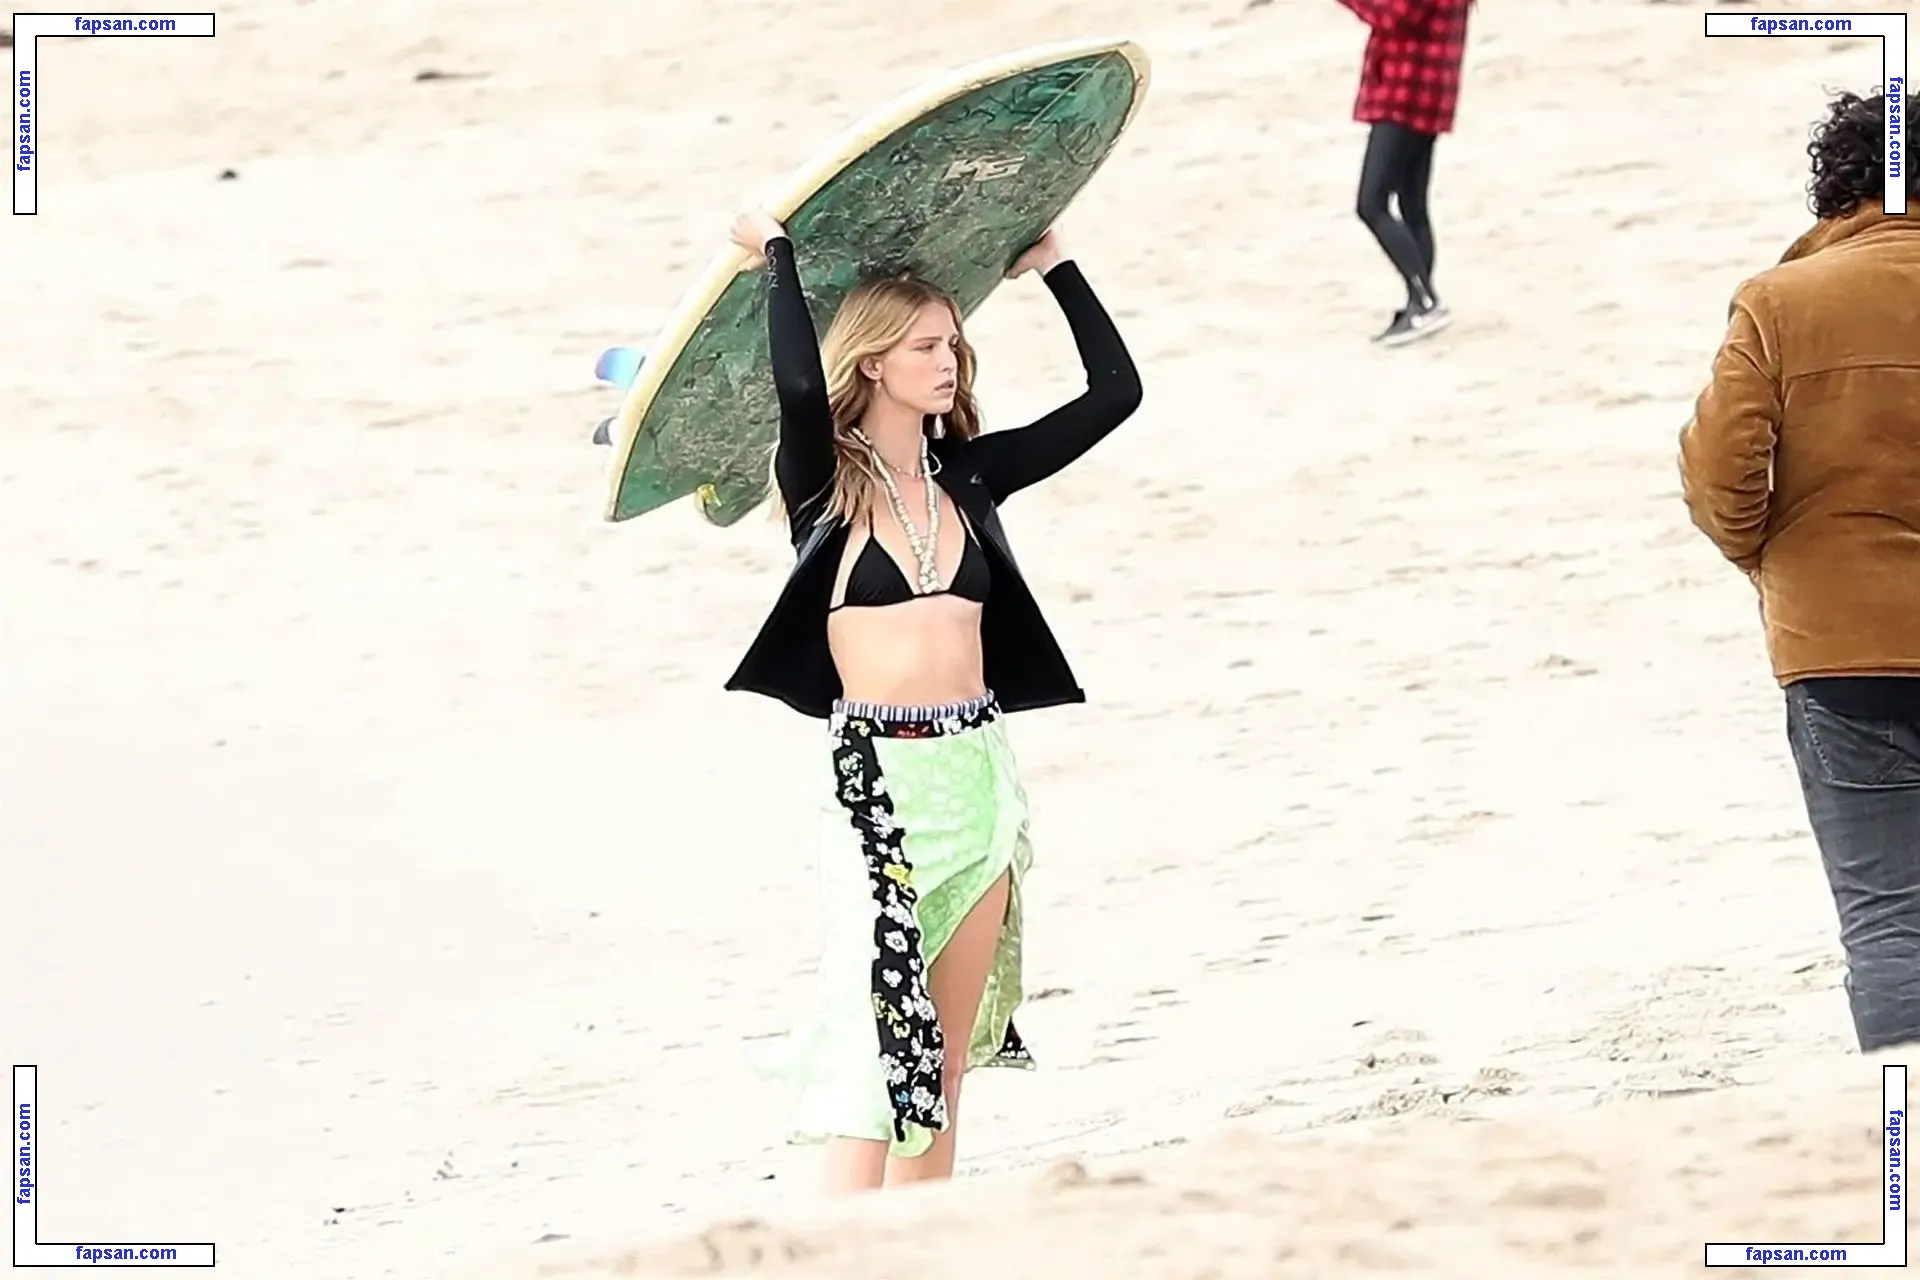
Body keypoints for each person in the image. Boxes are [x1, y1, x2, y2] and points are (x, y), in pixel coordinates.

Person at [722, 208, 1143, 1193]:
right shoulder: (824, 486)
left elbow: (1115, 394)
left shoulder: (970, 476)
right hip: (881, 787)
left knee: (940, 1072)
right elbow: (798, 388)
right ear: (872, 361)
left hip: (978, 778)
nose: (947, 362)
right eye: (924, 347)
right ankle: (846, 1248)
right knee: (876, 1055)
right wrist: (777, 258)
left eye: (953, 343)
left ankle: (920, 1243)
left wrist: (1056, 265)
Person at [1678, 86, 1920, 1053]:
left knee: (1889, 925)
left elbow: (1719, 472)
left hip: (1842, 650)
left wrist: (1774, 562)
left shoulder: (1780, 302)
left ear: (1838, 193)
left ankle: (1903, 1133)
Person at [1335, 0, 1473, 345]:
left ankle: (1425, 301)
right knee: (1412, 204)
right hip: (1429, 89)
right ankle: (1419, 303)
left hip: (1407, 91)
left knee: (1371, 203)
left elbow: (1391, 16)